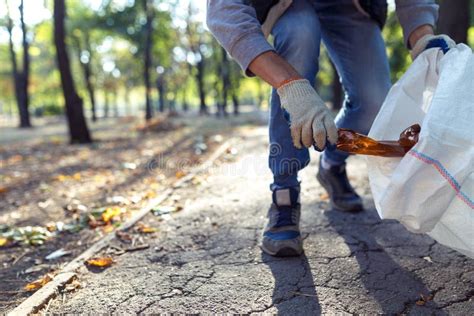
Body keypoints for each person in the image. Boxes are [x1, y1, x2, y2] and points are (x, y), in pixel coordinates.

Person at [206, 0, 455, 257]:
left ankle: (331, 165)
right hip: (289, 5)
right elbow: (223, 11)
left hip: (351, 5)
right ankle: (284, 191)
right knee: (298, 33)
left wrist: (422, 37)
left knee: (375, 101)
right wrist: (289, 84)